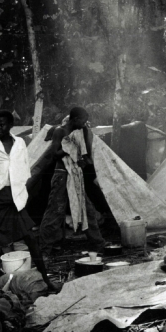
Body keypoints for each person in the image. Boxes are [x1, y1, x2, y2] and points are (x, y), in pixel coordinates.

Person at [0, 110, 60, 292]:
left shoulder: (19, 143)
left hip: (14, 198)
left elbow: (25, 167)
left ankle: (45, 278)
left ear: (11, 126)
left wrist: (21, 187)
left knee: (31, 238)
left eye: (2, 124)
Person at [38, 107, 106, 253]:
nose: (84, 124)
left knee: (87, 209)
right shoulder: (60, 132)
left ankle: (98, 243)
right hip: (61, 175)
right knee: (55, 212)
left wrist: (81, 160)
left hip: (75, 175)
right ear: (75, 119)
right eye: (83, 121)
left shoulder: (80, 132)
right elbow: (54, 155)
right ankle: (45, 248)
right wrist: (69, 148)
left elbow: (82, 156)